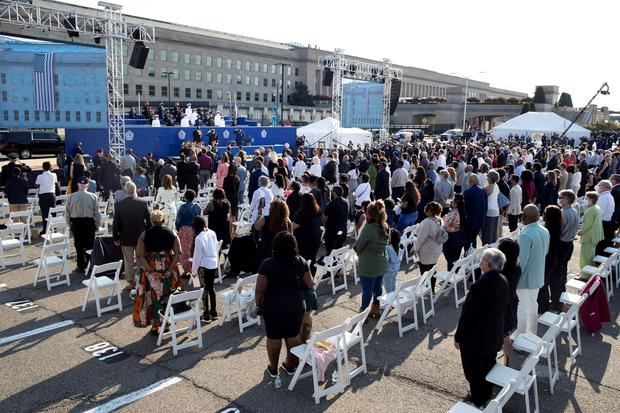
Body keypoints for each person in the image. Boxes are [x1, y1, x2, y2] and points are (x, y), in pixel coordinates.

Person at [455, 248, 509, 408]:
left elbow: (468, 314)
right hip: (493, 334)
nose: (480, 262)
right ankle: (486, 395)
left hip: (476, 338)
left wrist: (459, 336)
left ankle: (478, 401)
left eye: (482, 260)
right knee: (487, 365)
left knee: (473, 369)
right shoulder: (503, 280)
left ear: (487, 263)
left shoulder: (479, 285)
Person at [255, 232, 314, 377]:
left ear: (275, 246)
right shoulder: (300, 261)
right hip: (295, 306)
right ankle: (290, 365)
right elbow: (310, 283)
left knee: (274, 338)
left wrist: (258, 305)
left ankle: (273, 368)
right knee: (293, 336)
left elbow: (260, 290)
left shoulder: (267, 264)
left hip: (273, 306)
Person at [133, 209, 183, 334]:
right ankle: (166, 324)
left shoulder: (144, 235)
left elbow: (139, 255)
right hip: (167, 266)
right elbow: (178, 252)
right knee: (167, 296)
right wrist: (170, 269)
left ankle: (155, 326)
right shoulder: (171, 232)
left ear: (151, 221)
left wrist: (150, 271)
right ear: (163, 220)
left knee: (152, 297)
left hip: (151, 266)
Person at [516, 204, 550, 335]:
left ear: (525, 216)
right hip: (538, 274)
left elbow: (522, 261)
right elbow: (545, 251)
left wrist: (514, 277)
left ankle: (521, 335)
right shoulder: (544, 230)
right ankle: (532, 332)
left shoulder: (525, 234)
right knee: (532, 305)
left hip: (525, 278)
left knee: (522, 307)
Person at [354, 200, 389, 318]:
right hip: (381, 263)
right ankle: (376, 308)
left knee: (367, 290)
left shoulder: (369, 228)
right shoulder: (384, 226)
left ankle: (363, 313)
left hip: (369, 265)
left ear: (369, 214)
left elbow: (358, 246)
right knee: (377, 288)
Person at [113, 181, 151, 288]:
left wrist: (115, 237)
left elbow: (116, 223)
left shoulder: (119, 205)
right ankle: (141, 280)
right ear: (136, 190)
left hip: (126, 237)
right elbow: (148, 221)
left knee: (128, 261)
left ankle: (131, 282)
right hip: (141, 236)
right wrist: (149, 234)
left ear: (125, 191)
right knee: (140, 259)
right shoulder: (142, 203)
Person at [66, 176, 101, 273]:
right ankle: (90, 265)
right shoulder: (93, 196)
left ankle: (81, 265)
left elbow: (67, 214)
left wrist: (69, 226)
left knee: (79, 245)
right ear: (88, 185)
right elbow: (97, 213)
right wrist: (97, 225)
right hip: (89, 223)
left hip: (76, 223)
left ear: (78, 184)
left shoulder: (71, 196)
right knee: (90, 244)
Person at [191, 216, 220, 323]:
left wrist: (193, 271)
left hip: (204, 266)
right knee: (211, 288)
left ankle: (206, 314)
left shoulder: (199, 238)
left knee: (204, 289)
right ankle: (214, 311)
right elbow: (217, 247)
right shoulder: (212, 232)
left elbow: (197, 257)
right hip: (213, 263)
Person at [497, 238, 521, 365]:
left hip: (501, 307)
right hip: (512, 303)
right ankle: (507, 360)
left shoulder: (500, 272)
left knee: (501, 336)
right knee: (506, 336)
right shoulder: (517, 268)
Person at [414, 202, 445, 292]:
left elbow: (420, 238)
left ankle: (425, 290)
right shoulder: (440, 220)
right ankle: (431, 289)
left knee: (424, 271)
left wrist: (415, 249)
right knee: (433, 269)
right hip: (437, 249)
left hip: (427, 250)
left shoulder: (427, 222)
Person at [537, 205, 562, 314]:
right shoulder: (556, 226)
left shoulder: (548, 229)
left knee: (543, 283)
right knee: (547, 282)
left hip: (548, 258)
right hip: (553, 257)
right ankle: (547, 305)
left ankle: (543, 307)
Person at [254, 199, 292, 263]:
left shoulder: (264, 219)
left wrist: (258, 216)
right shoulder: (287, 221)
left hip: (266, 251)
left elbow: (256, 227)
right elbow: (291, 235)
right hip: (281, 251)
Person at [175, 189, 202, 274]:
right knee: (193, 249)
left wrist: (178, 228)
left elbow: (178, 221)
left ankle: (187, 271)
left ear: (185, 197)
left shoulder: (183, 207)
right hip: (196, 229)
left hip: (185, 229)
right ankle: (193, 267)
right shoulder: (197, 207)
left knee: (185, 251)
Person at [293, 193, 323, 264]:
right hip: (315, 238)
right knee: (311, 257)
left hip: (304, 241)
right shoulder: (318, 211)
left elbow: (293, 226)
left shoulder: (301, 213)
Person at [579, 191, 604, 270]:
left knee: (585, 257)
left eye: (586, 198)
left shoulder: (591, 210)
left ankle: (584, 275)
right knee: (590, 256)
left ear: (592, 199)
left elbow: (587, 225)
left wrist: (580, 231)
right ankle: (588, 273)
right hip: (594, 236)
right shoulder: (597, 207)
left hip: (589, 237)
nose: (585, 200)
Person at [463, 174, 488, 250]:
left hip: (470, 219)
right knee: (474, 237)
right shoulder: (483, 191)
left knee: (468, 238)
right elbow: (485, 206)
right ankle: (473, 252)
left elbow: (465, 208)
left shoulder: (467, 192)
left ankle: (467, 253)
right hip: (480, 218)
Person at [443, 194, 467, 271]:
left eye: (452, 201)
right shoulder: (463, 212)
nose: (451, 203)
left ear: (456, 204)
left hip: (452, 236)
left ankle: (450, 276)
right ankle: (456, 272)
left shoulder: (453, 213)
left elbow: (446, 224)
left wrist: (444, 219)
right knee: (456, 256)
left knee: (450, 257)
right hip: (460, 235)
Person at [35, 161, 59, 235]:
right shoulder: (54, 175)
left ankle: (45, 229)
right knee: (53, 212)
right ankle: (54, 228)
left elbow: (36, 184)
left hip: (43, 195)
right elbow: (55, 182)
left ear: (43, 167)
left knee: (44, 213)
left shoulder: (40, 176)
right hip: (52, 194)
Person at [324, 185, 348, 255]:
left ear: (334, 193)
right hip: (342, 230)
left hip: (332, 232)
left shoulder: (331, 204)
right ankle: (337, 264)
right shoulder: (346, 202)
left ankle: (332, 264)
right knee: (339, 250)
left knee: (330, 251)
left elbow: (325, 218)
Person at [595, 180, 615, 256]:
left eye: (599, 186)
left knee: (600, 243)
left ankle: (598, 260)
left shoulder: (604, 197)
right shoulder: (608, 196)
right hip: (605, 222)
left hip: (602, 222)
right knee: (602, 242)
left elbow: (600, 213)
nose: (598, 187)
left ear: (603, 187)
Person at [482, 170, 500, 245]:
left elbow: (482, 196)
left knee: (488, 234)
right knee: (493, 233)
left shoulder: (490, 187)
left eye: (488, 177)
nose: (487, 178)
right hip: (495, 210)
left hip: (490, 211)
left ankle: (487, 249)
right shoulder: (496, 186)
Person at [384, 229, 402, 294]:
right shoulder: (399, 249)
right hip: (395, 270)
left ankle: (390, 302)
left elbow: (385, 260)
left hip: (388, 272)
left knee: (388, 289)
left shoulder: (387, 248)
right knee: (393, 284)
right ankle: (394, 297)